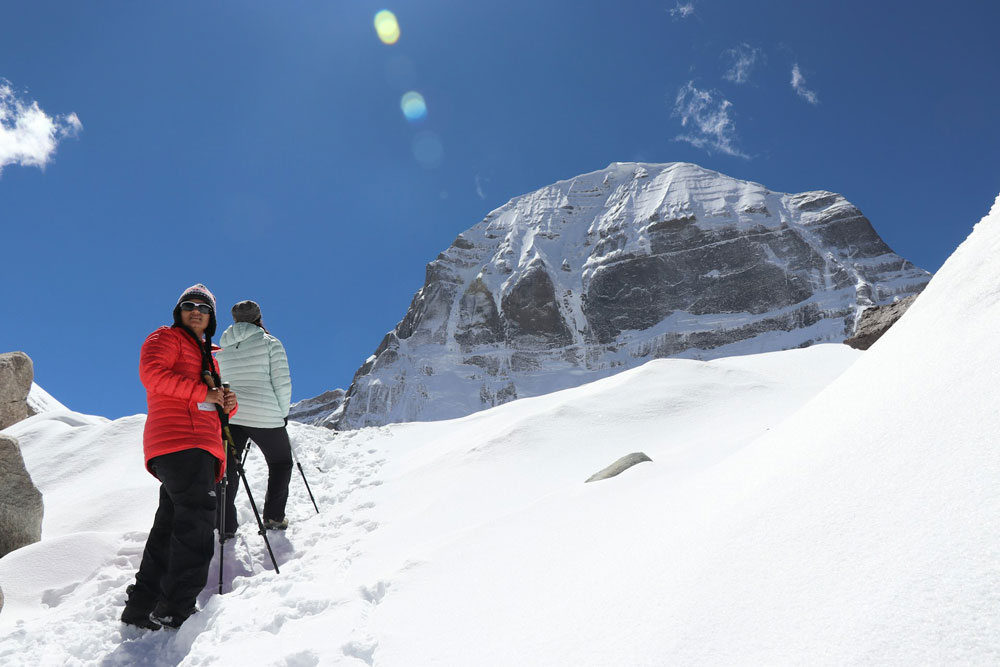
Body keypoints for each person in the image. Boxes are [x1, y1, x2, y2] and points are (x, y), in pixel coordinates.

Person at [121, 284, 237, 631]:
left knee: (170, 527)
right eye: (189, 305)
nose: (196, 310)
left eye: (204, 307)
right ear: (179, 311)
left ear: (211, 317)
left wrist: (228, 402)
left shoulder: (210, 354)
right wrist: (205, 392)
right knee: (198, 525)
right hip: (180, 441)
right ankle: (176, 607)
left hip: (197, 445)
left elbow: (214, 403)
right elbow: (152, 376)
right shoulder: (166, 338)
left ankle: (142, 608)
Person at [216, 299, 293, 536]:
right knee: (281, 463)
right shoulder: (270, 342)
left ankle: (225, 526)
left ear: (235, 320)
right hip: (265, 414)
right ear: (259, 318)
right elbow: (281, 381)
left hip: (232, 414)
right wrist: (282, 414)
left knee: (227, 471)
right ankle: (273, 518)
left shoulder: (222, 347)